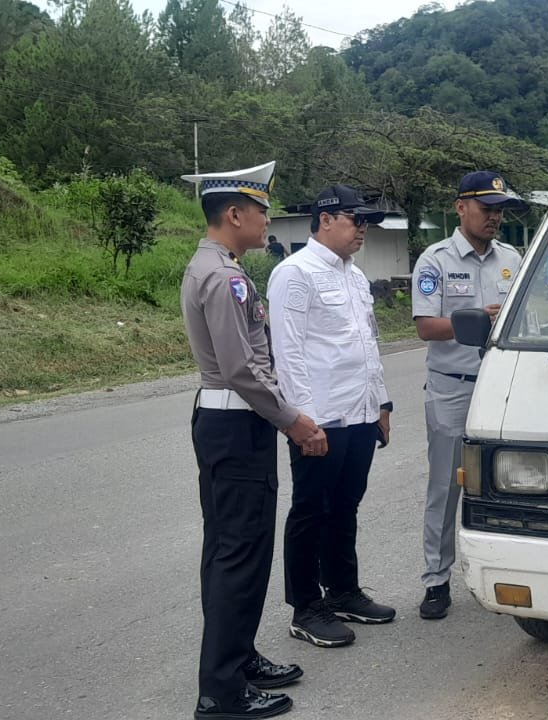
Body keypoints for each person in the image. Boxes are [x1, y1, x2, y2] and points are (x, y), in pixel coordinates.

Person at [179, 161, 326, 720]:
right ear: (234, 214)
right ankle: (220, 691)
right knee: (238, 554)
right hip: (237, 425)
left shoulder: (219, 267)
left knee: (230, 550)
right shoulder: (224, 276)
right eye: (262, 211)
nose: (268, 220)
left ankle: (236, 659)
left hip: (231, 424)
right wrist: (293, 420)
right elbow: (242, 368)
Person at [268, 185, 396, 648]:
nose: (362, 229)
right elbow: (288, 352)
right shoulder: (294, 274)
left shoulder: (355, 276)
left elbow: (368, 343)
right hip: (320, 418)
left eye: (366, 222)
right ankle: (306, 605)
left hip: (359, 414)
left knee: (346, 507)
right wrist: (302, 420)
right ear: (325, 220)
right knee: (311, 510)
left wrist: (381, 403)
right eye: (354, 220)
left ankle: (343, 590)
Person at [410, 171, 526, 620]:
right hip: (453, 390)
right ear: (461, 208)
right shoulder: (435, 261)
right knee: (445, 486)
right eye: (486, 209)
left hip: (501, 388)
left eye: (499, 210)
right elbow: (425, 327)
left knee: (513, 482)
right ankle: (436, 580)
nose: (494, 217)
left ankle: (511, 570)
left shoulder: (513, 259)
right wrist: (479, 317)